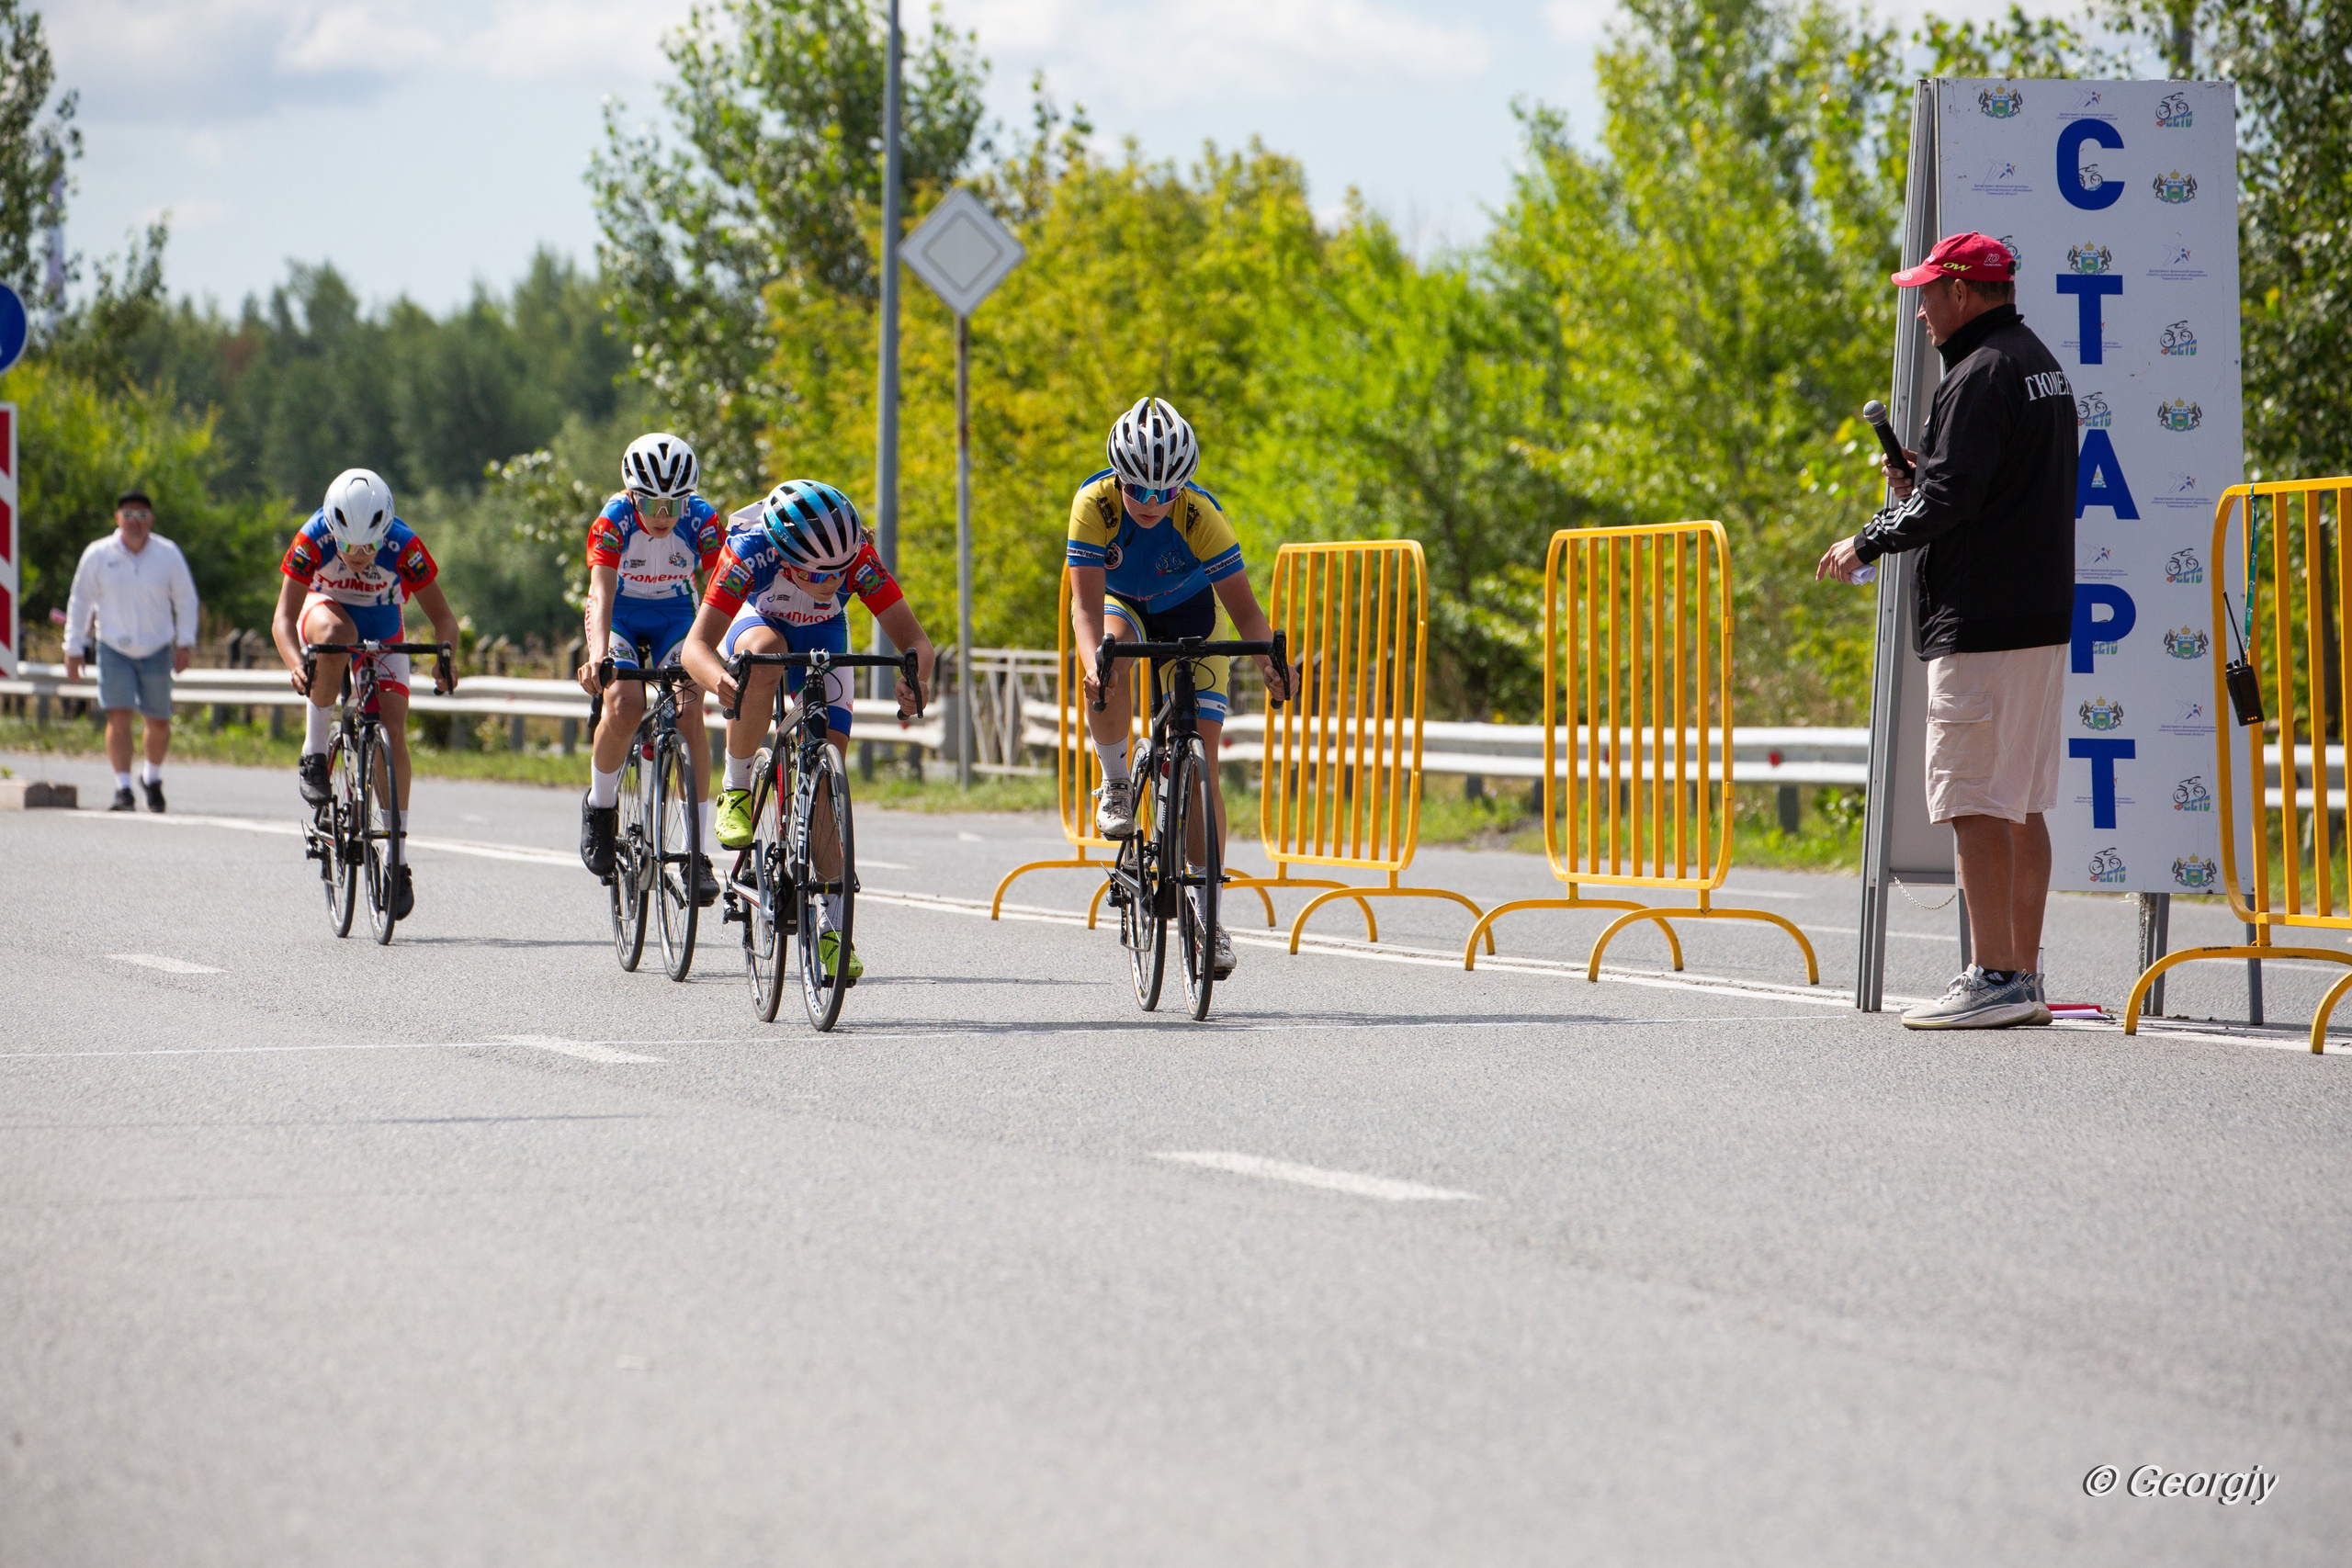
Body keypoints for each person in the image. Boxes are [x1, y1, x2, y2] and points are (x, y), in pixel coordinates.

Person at [1816, 231, 2077, 1030]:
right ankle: (2024, 977)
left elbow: (1952, 504)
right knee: (2022, 802)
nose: (1921, 308)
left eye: (1928, 291)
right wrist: (1925, 474)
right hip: (2038, 617)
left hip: (1983, 619)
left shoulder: (1977, 372)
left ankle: (1993, 972)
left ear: (1964, 291)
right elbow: (1979, 484)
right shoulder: (2038, 363)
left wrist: (1868, 536)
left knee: (1972, 799)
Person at [1068, 396, 1289, 983]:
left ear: (1183, 487)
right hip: (1122, 606)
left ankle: (1207, 911)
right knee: (1110, 662)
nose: (1150, 503)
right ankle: (1117, 784)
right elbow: (1085, 605)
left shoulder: (1200, 515)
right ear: (1119, 478)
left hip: (1191, 611)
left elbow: (1244, 612)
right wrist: (1094, 665)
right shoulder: (1093, 504)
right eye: (1138, 490)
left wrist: (1271, 660)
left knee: (1203, 766)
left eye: (1165, 493)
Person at [679, 479, 934, 984]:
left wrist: (915, 680)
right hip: (759, 623)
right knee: (766, 655)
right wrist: (722, 682)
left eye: (841, 572)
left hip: (825, 634)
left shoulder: (854, 555)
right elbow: (695, 649)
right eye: (820, 573)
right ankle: (737, 788)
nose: (833, 580)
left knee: (824, 797)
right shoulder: (751, 551)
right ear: (787, 557)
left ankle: (834, 928)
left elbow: (916, 643)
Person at [270, 468, 462, 922]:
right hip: (326, 617)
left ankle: (396, 859)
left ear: (385, 533)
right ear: (332, 530)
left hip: (383, 626)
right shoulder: (313, 535)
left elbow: (444, 621)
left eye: (370, 546)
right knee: (339, 633)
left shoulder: (405, 545)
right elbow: (282, 619)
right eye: (348, 545)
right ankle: (315, 752)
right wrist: (297, 664)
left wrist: (445, 660)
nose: (359, 556)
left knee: (392, 735)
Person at [575, 432, 724, 902]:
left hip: (677, 618)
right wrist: (598, 654)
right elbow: (600, 594)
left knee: (687, 709)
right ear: (631, 494)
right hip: (618, 614)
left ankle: (696, 853)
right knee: (622, 703)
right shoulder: (613, 520)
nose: (663, 516)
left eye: (674, 505)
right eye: (652, 503)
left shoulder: (702, 521)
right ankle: (600, 807)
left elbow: (725, 590)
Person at [61, 491, 200, 812]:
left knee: (159, 720)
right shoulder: (98, 554)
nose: (135, 523)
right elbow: (80, 601)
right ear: (117, 519)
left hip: (156, 647)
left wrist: (185, 643)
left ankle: (151, 778)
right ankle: (123, 788)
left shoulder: (168, 554)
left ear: (151, 519)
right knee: (118, 716)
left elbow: (186, 600)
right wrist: (73, 647)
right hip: (113, 646)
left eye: (141, 516)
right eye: (128, 516)